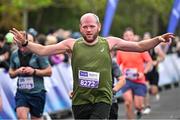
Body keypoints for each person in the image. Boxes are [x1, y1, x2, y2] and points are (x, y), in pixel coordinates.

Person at [10, 13, 174, 119]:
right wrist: (25, 43)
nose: (88, 30)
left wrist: (157, 39)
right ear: (80, 28)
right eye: (85, 26)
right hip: (80, 100)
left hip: (102, 98)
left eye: (92, 26)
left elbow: (139, 46)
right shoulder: (71, 44)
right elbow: (44, 50)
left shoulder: (109, 42)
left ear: (99, 27)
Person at [8, 33, 52, 119]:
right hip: (22, 93)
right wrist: (17, 71)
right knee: (21, 117)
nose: (26, 43)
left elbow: (49, 72)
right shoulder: (14, 54)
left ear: (34, 42)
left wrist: (34, 71)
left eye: (30, 41)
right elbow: (11, 73)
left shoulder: (39, 54)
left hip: (37, 93)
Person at [116, 28, 153, 119]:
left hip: (139, 80)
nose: (128, 37)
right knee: (128, 103)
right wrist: (119, 75)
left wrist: (144, 72)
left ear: (134, 36)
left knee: (138, 105)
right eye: (126, 36)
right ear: (123, 37)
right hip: (127, 80)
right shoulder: (120, 51)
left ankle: (139, 111)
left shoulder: (140, 48)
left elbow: (149, 62)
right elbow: (116, 65)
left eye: (130, 35)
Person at [143, 32, 165, 114]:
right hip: (145, 71)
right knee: (146, 88)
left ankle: (156, 92)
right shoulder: (141, 47)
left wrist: (157, 61)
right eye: (145, 38)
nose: (146, 39)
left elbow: (163, 57)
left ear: (150, 38)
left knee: (153, 90)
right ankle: (147, 106)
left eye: (147, 38)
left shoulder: (156, 47)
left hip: (154, 71)